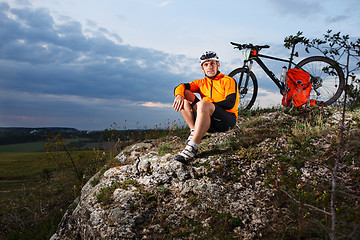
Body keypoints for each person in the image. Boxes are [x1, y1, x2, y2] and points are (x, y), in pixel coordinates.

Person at [172, 51, 239, 163]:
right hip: (208, 121)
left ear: (218, 65)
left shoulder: (228, 80)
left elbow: (230, 103)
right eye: (206, 64)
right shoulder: (201, 83)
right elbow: (181, 86)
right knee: (184, 96)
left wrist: (207, 104)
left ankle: (192, 148)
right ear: (202, 68)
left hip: (226, 120)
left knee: (203, 104)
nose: (210, 67)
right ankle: (194, 130)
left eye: (212, 63)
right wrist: (179, 95)